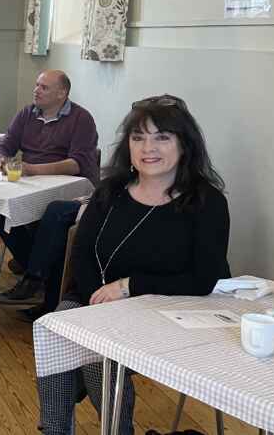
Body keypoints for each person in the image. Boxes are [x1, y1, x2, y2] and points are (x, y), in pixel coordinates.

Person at [37, 94, 230, 434]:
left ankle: (117, 429)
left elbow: (204, 279)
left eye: (162, 137)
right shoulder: (110, 191)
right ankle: (55, 429)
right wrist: (97, 301)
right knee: (54, 332)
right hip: (94, 300)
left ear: (184, 145)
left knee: (98, 358)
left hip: (166, 311)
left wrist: (128, 286)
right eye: (138, 137)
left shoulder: (206, 201)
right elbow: (81, 253)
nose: (148, 148)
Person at [0, 70, 99, 322]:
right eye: (36, 85)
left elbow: (77, 164)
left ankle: (34, 278)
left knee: (55, 212)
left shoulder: (81, 119)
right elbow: (5, 144)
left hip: (74, 190)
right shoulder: (27, 113)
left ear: (63, 93)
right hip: (32, 184)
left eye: (44, 87)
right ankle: (34, 270)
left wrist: (32, 169)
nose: (36, 90)